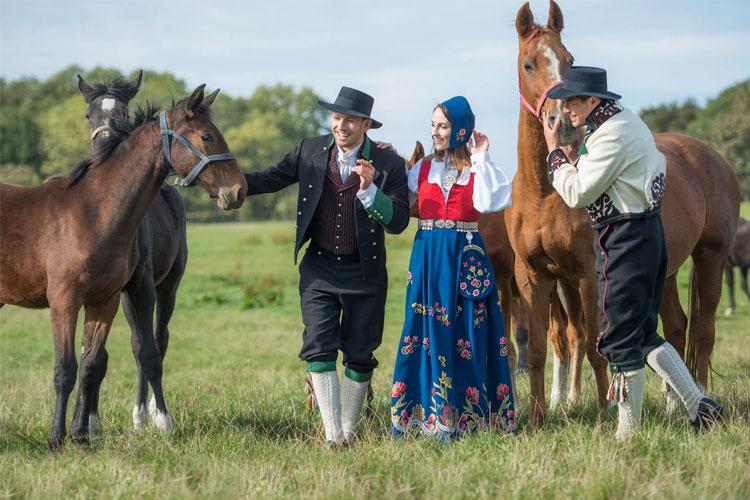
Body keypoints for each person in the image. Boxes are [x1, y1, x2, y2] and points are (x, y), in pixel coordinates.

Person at [542, 66, 723, 439]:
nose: (567, 110)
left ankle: (629, 434)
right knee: (642, 332)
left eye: (572, 101)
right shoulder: (626, 122)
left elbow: (577, 193)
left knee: (622, 338)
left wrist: (554, 155)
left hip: (626, 239)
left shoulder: (611, 136)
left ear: (593, 101)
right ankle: (699, 406)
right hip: (645, 234)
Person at [244, 86, 410, 447]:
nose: (341, 126)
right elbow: (272, 178)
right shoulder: (310, 150)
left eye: (350, 119)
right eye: (337, 118)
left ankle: (349, 433)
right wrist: (230, 182)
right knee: (318, 346)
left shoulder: (389, 164)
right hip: (318, 267)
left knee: (360, 353)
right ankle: (334, 437)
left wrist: (370, 191)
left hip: (365, 271)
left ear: (366, 124)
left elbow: (398, 222)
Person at [390, 96, 516, 439]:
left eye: (443, 126)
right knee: (423, 331)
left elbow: (493, 202)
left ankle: (470, 418)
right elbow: (398, 192)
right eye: (433, 125)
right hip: (428, 257)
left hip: (465, 257)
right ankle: (422, 418)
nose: (435, 133)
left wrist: (482, 157)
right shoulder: (422, 168)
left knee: (469, 334)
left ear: (460, 130)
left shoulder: (478, 170)